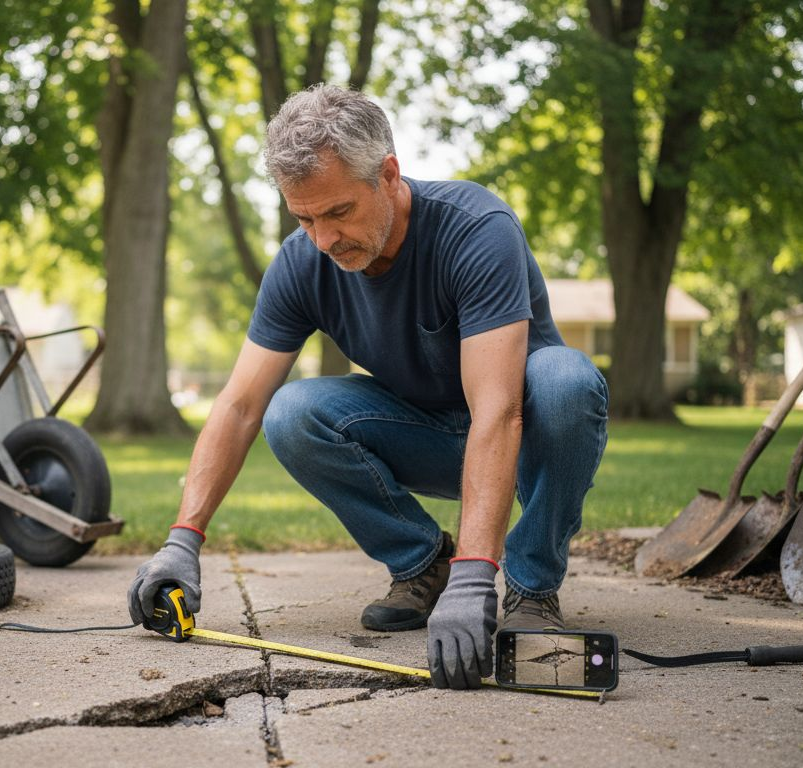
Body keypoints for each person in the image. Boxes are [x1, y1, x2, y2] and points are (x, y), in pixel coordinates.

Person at [127, 84, 608, 690]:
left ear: (388, 175)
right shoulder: (304, 262)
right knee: (290, 412)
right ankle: (423, 564)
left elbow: (500, 410)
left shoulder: (475, 229)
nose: (324, 239)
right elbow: (240, 404)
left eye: (338, 213)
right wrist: (181, 541)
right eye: (304, 218)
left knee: (565, 378)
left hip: (526, 429)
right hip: (427, 435)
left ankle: (532, 590)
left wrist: (477, 572)